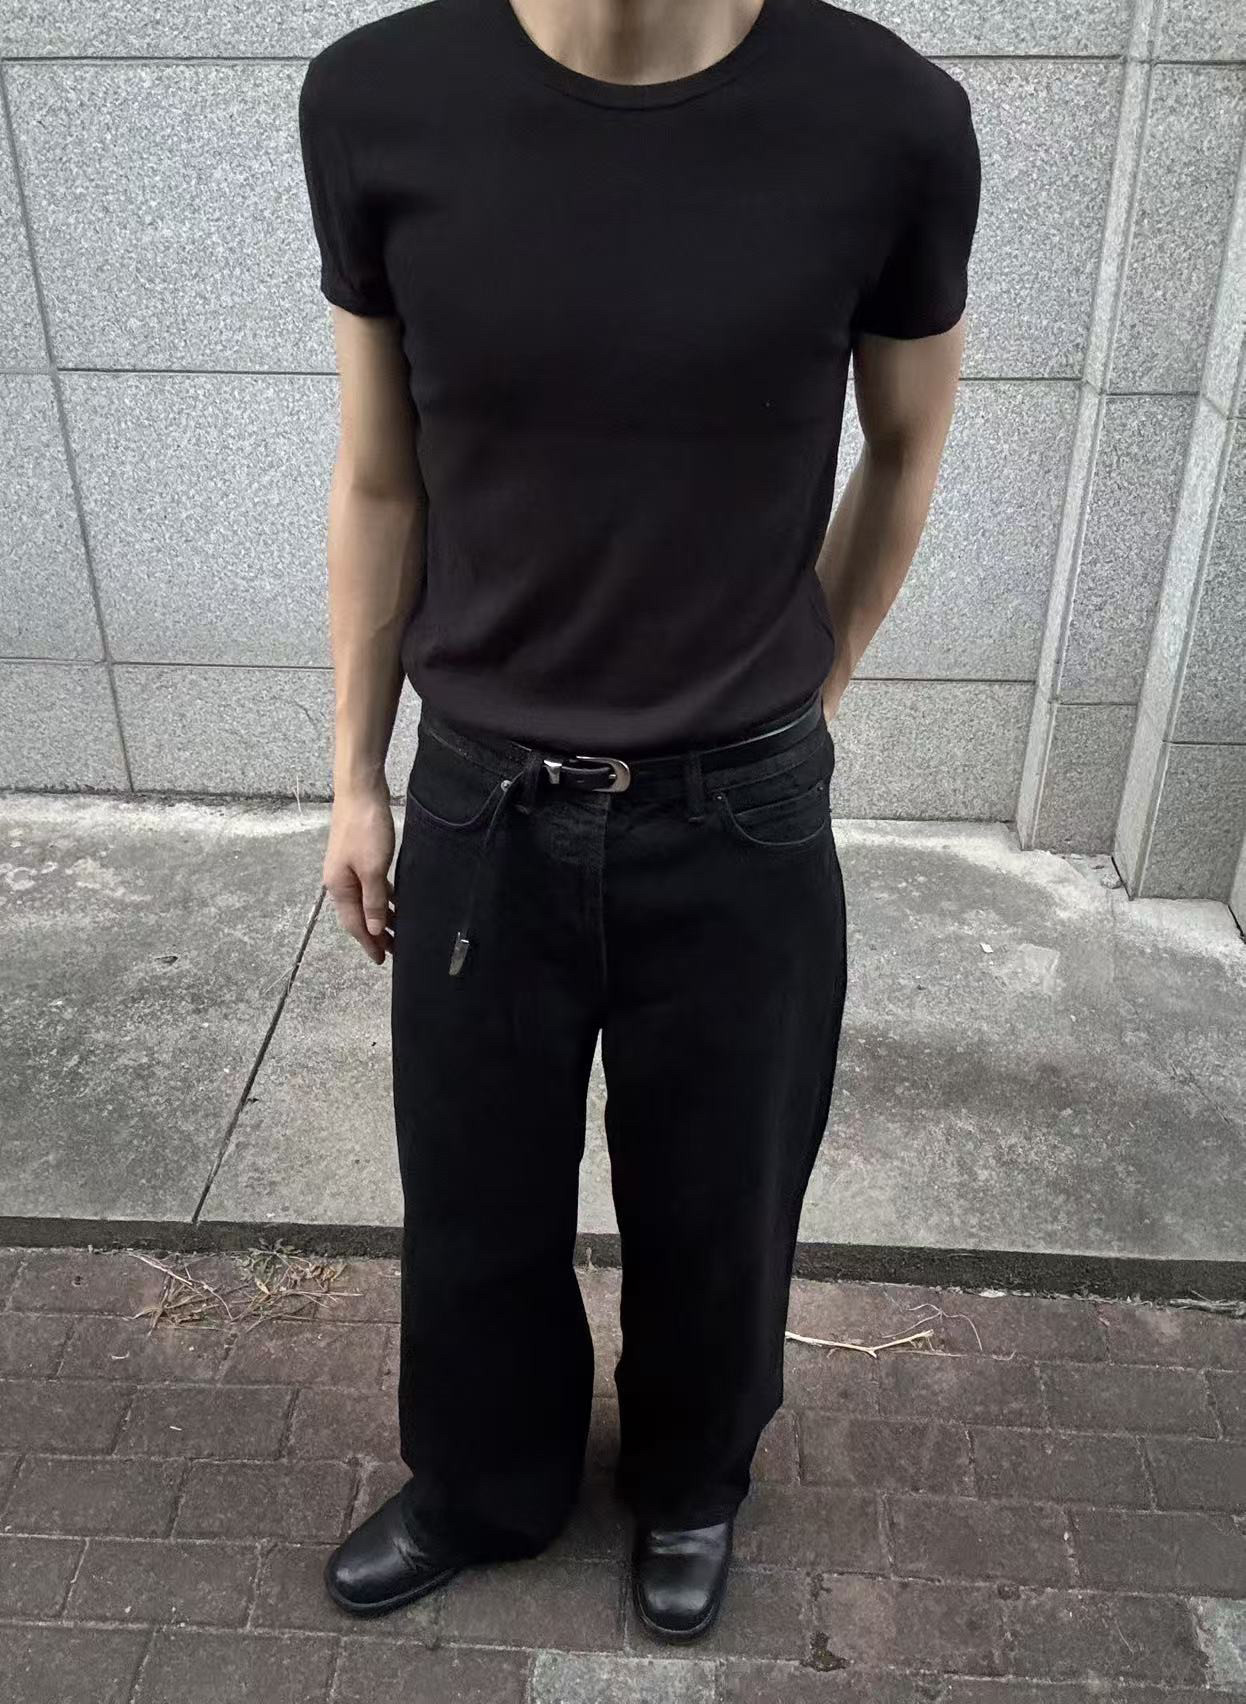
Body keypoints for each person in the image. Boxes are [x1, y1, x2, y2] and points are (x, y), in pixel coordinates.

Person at [297, 0, 980, 1643]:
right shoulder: (380, 100)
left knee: (722, 1199)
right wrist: (356, 774)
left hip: (737, 808)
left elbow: (904, 450)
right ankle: (484, 1482)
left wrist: (801, 702)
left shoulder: (886, 119)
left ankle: (690, 1481)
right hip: (483, 798)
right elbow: (381, 476)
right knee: (473, 1196)